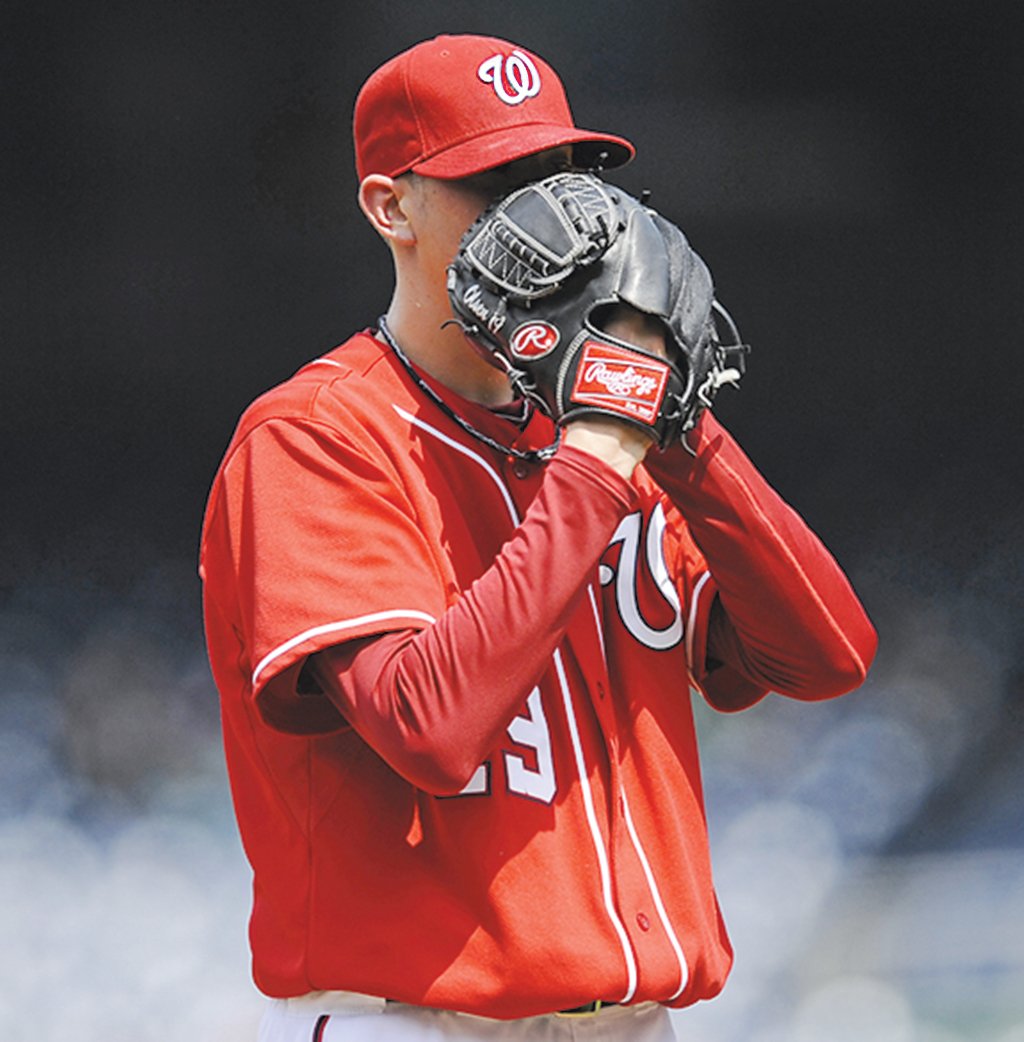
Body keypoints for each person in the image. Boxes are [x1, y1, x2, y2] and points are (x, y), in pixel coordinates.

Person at [199, 32, 878, 1042]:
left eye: (556, 178)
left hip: (636, 1021)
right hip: (425, 1022)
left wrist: (684, 432)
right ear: (390, 207)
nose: (544, 219)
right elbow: (429, 726)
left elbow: (826, 655)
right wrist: (605, 444)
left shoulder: (609, 438)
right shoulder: (314, 437)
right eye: (494, 183)